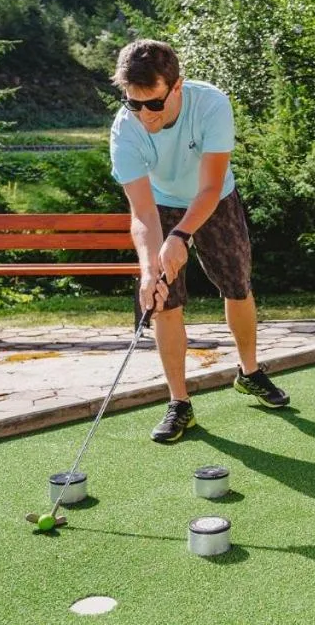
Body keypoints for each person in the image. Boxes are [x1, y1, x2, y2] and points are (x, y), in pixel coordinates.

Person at [108, 39, 289, 443]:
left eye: (153, 104)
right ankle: (179, 404)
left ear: (177, 87)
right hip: (160, 206)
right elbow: (142, 213)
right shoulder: (125, 130)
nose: (144, 116)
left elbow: (208, 188)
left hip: (215, 200)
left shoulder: (211, 105)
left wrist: (181, 236)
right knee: (163, 301)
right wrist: (148, 268)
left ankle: (249, 371)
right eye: (133, 104)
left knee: (237, 286)